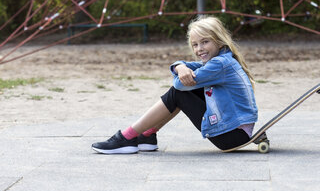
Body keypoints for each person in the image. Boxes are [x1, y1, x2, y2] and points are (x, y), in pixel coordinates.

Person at [91, 15, 258, 154]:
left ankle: (127, 137)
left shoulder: (219, 64)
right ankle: (147, 135)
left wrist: (181, 72)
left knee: (179, 93)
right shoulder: (222, 59)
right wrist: (180, 67)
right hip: (236, 131)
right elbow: (185, 66)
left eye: (205, 42)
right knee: (186, 89)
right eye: (195, 44)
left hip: (230, 136)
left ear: (219, 42)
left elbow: (179, 85)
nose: (199, 49)